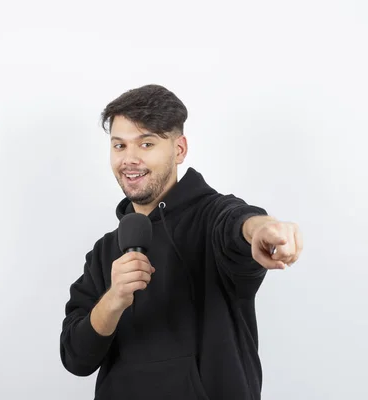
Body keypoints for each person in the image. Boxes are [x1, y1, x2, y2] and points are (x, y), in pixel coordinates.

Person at [60, 84, 303, 400]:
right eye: (119, 146)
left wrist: (262, 229)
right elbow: (76, 358)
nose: (129, 159)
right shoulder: (104, 252)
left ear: (179, 150)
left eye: (146, 143)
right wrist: (114, 299)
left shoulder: (210, 216)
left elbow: (239, 222)